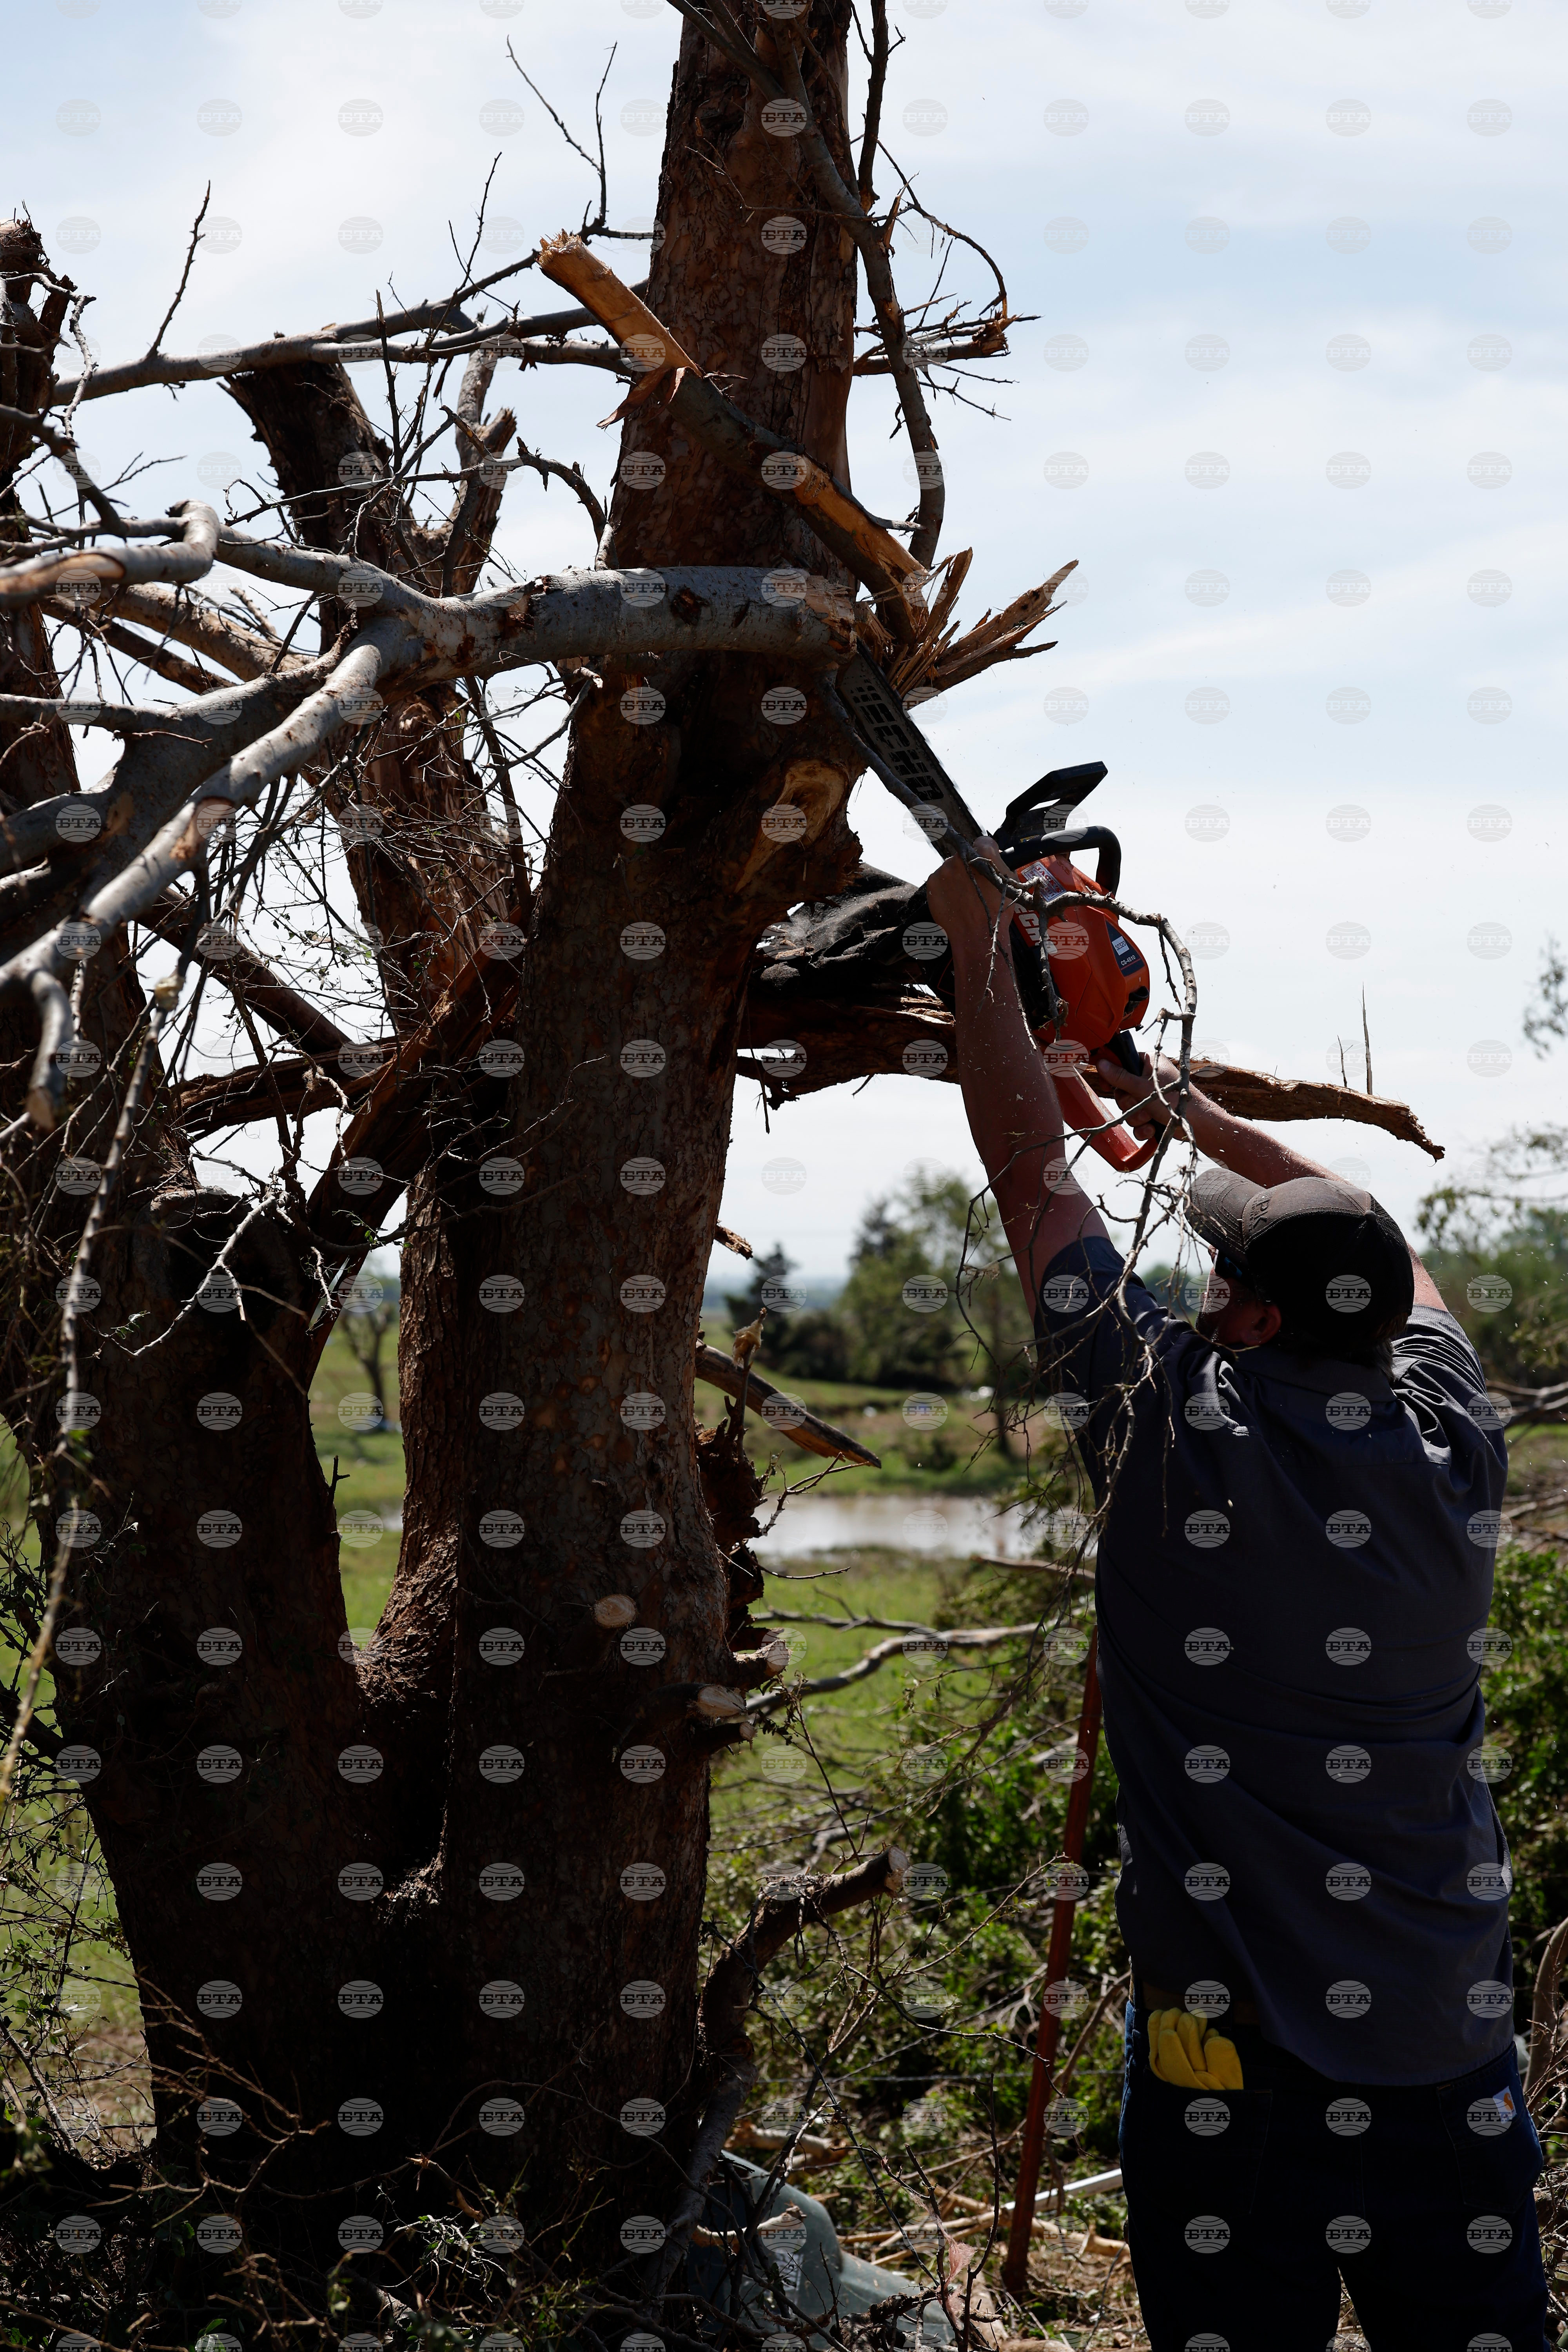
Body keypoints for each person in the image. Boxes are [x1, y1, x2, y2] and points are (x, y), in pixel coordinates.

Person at [926, 846, 1548, 2352]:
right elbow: (1373, 1239)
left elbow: (1029, 1177)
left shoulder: (1166, 1432)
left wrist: (967, 960)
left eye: (1219, 1285)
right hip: (1448, 2065)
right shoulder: (1455, 1442)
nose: (1200, 1301)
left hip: (1231, 2073)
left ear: (1249, 1317)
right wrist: (1158, 1099)